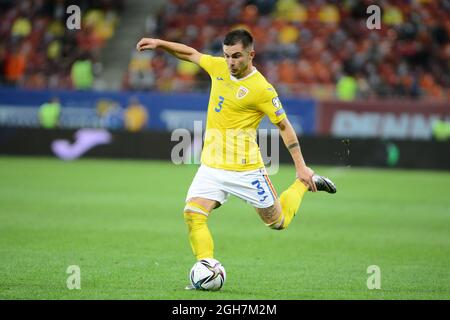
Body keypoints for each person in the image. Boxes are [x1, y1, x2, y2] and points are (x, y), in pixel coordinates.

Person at [136, 29, 337, 290]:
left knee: (277, 222)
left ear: (251, 55)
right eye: (227, 55)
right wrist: (160, 43)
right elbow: (191, 54)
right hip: (211, 166)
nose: (231, 62)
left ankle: (307, 183)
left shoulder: (262, 89)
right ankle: (206, 268)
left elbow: (284, 126)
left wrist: (300, 166)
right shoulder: (219, 67)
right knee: (193, 214)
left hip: (246, 170)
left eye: (237, 56)